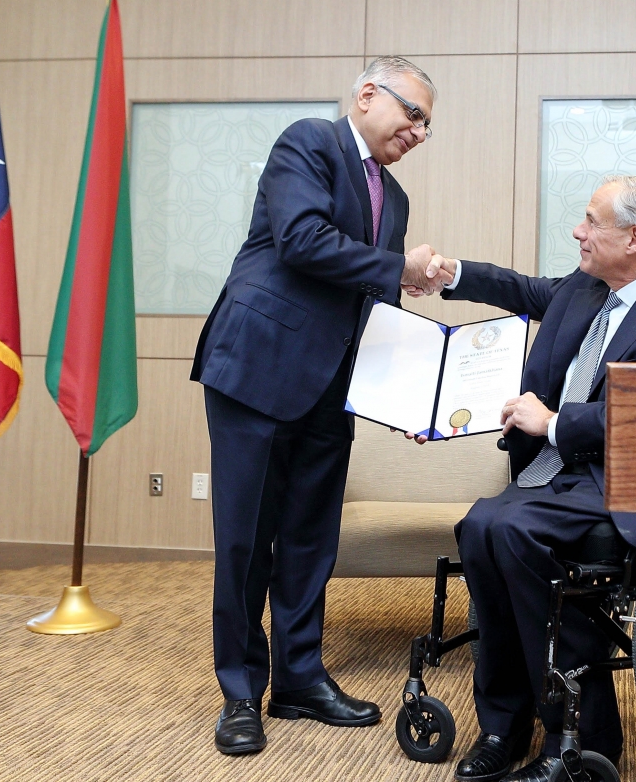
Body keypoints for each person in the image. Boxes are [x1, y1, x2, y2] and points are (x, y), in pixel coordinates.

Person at [421, 176, 636, 782]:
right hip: (550, 476)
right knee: (480, 524)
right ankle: (502, 726)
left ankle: (583, 739)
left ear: (634, 238)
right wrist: (449, 273)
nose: (578, 232)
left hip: (623, 484)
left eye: (591, 221)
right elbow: (523, 289)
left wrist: (557, 421)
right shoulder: (586, 288)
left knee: (509, 528)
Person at [191, 57, 449, 755]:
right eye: (413, 114)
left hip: (334, 385)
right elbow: (302, 241)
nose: (419, 132)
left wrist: (408, 402)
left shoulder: (392, 199)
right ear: (368, 95)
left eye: (428, 124)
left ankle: (300, 678)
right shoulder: (308, 142)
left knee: (310, 540)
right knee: (248, 541)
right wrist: (397, 266)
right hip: (256, 369)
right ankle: (241, 690)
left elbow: (377, 302)